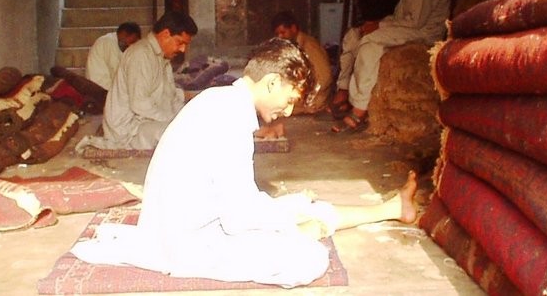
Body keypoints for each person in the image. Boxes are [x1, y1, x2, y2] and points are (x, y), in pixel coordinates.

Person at [71, 38, 419, 287]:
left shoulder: (222, 101)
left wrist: (286, 211)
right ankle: (359, 215)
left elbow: (234, 201)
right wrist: (292, 220)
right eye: (291, 99)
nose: (290, 110)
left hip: (186, 225)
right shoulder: (230, 116)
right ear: (271, 82)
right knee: (309, 257)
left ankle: (390, 207)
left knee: (299, 208)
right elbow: (239, 219)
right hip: (188, 243)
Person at [331, 0, 450, 133]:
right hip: (407, 26)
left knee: (370, 44)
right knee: (354, 35)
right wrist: (377, 22)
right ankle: (343, 90)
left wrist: (379, 27)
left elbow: (416, 22)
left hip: (424, 32)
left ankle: (359, 110)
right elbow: (400, 16)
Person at [76, 11, 198, 151]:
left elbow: (168, 94)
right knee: (182, 136)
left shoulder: (160, 56)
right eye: (180, 43)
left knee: (196, 124)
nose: (183, 49)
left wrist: (184, 114)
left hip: (147, 119)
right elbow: (139, 104)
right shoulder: (140, 55)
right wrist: (173, 121)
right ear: (165, 34)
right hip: (129, 129)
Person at [270, 10, 334, 114]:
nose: (280, 37)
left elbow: (325, 77)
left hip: (315, 99)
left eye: (283, 32)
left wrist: (305, 95)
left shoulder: (309, 46)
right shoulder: (292, 46)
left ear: (294, 28)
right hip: (304, 96)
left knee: (275, 109)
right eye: (277, 34)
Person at [85, 21, 142, 90]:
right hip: (100, 89)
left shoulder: (131, 48)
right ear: (122, 35)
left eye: (133, 43)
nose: (131, 46)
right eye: (131, 42)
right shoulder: (106, 42)